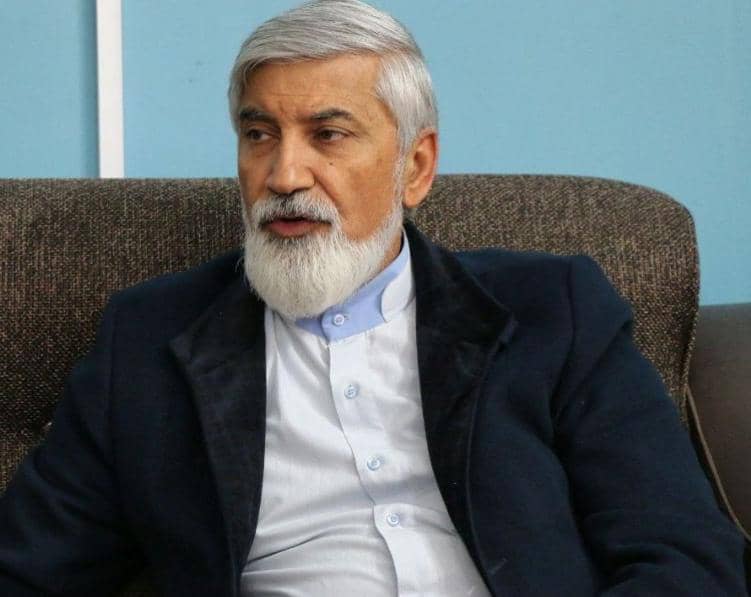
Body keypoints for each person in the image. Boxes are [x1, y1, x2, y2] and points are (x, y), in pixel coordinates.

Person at [0, 0, 746, 595]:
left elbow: (683, 555)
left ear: (414, 167)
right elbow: (28, 570)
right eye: (259, 134)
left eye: (327, 134)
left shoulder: (554, 309)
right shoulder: (146, 339)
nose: (283, 174)